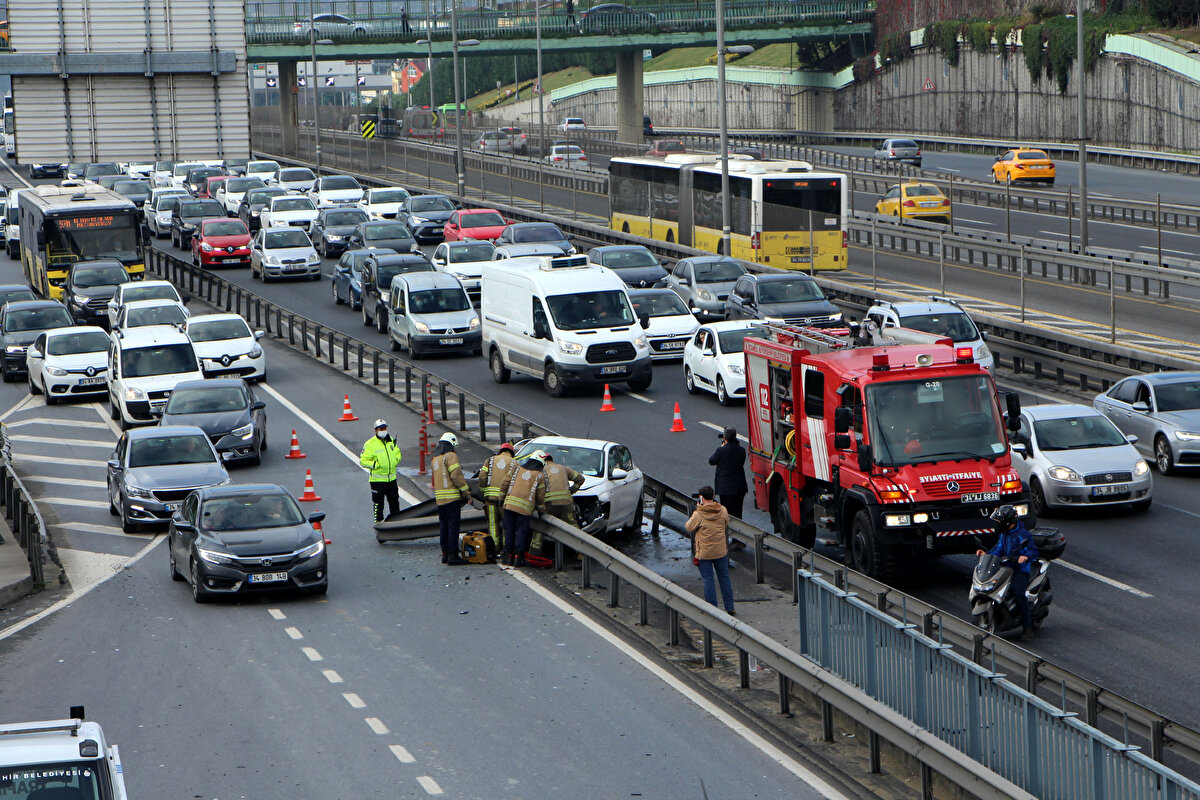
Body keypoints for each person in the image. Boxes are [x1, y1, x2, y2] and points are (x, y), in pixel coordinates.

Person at [976, 505, 1038, 641]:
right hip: (1005, 567)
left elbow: (1033, 551)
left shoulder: (1023, 535)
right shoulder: (1004, 534)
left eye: (999, 522)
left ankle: (1027, 627)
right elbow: (998, 549)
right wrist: (986, 554)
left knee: (1018, 593)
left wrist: (1025, 556)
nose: (997, 524)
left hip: (1020, 569)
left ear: (1008, 522)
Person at [686, 486, 735, 616]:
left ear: (701, 498)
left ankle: (712, 609)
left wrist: (697, 509)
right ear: (713, 496)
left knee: (708, 580)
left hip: (705, 553)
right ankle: (730, 607)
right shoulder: (722, 510)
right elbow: (726, 523)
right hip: (720, 551)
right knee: (724, 578)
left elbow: (689, 527)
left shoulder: (699, 514)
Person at [499, 451, 547, 568]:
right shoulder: (539, 476)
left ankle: (507, 557)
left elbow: (504, 483)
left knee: (509, 531)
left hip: (509, 506)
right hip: (524, 509)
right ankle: (518, 558)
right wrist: (541, 510)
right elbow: (540, 496)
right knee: (520, 532)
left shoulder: (517, 469)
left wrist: (501, 499)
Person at [432, 432, 470, 565]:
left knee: (443, 526)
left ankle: (445, 553)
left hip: (440, 500)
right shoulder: (451, 456)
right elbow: (456, 476)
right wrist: (466, 493)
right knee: (453, 527)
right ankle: (453, 555)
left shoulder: (435, 459)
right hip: (452, 499)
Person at [708, 426, 748, 550]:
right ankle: (739, 539)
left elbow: (712, 460)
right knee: (738, 513)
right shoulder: (741, 450)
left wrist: (721, 447)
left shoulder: (722, 451)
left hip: (726, 488)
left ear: (725, 437)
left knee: (728, 514)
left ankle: (734, 540)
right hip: (739, 487)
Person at [360, 418, 403, 523]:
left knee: (395, 504)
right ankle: (379, 526)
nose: (383, 430)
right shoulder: (370, 444)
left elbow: (398, 453)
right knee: (378, 506)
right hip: (377, 482)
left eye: (384, 428)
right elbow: (363, 461)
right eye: (380, 428)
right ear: (376, 430)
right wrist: (377, 465)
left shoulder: (391, 440)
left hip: (392, 480)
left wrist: (395, 460)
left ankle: (396, 525)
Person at [539, 451, 584, 548]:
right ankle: (581, 551)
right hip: (566, 504)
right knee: (573, 526)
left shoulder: (541, 470)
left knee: (540, 527)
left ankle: (535, 552)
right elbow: (580, 478)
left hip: (549, 505)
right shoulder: (563, 468)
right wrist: (572, 491)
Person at [478, 442, 518, 550]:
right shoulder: (515, 463)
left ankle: (494, 549)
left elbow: (482, 477)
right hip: (505, 501)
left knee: (492, 524)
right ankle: (506, 550)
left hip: (490, 499)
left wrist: (483, 491)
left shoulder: (490, 460)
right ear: (511, 453)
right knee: (507, 526)